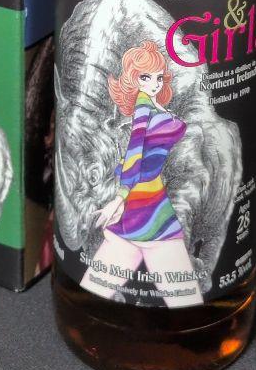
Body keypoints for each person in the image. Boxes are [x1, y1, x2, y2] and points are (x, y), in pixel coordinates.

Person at [79, 41, 203, 307]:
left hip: (147, 197)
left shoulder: (154, 107)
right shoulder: (143, 108)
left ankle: (85, 310)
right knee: (184, 294)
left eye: (158, 77)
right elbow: (134, 153)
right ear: (133, 80)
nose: (154, 83)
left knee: (98, 286)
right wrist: (120, 197)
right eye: (145, 77)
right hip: (146, 201)